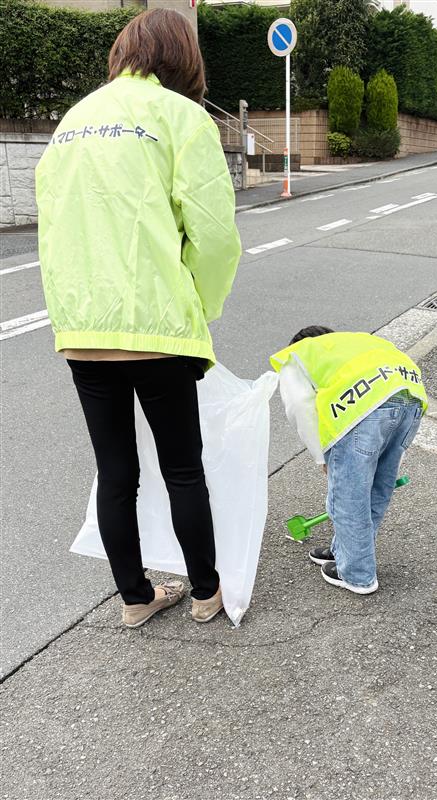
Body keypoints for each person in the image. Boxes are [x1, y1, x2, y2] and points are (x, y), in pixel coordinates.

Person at [35, 10, 241, 628]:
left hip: (84, 328)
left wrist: (69, 311)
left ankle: (134, 600)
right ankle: (206, 593)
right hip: (156, 326)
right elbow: (213, 234)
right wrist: (202, 308)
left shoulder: (71, 121)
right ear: (182, 58)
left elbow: (54, 225)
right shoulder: (180, 117)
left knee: (115, 469)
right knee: (182, 467)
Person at [270, 327, 428, 595]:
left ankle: (357, 574)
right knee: (377, 488)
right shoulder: (355, 343)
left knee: (348, 496)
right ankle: (341, 552)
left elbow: (300, 404)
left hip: (364, 408)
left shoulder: (297, 355)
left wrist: (321, 456)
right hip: (411, 399)